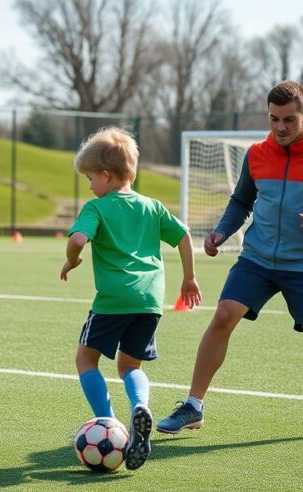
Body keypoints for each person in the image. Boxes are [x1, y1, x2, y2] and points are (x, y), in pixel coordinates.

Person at [156, 81, 303, 439]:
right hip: (257, 259)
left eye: (289, 120)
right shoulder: (257, 154)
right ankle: (193, 406)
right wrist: (221, 232)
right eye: (274, 119)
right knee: (223, 316)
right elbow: (241, 202)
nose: (280, 128)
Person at [61, 127, 201, 471]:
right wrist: (189, 278)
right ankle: (140, 406)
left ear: (106, 176)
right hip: (151, 299)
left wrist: (73, 259)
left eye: (91, 178)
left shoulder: (97, 208)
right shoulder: (152, 206)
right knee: (130, 366)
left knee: (85, 359)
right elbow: (183, 237)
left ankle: (110, 422)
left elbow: (78, 240)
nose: (90, 186)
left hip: (113, 300)